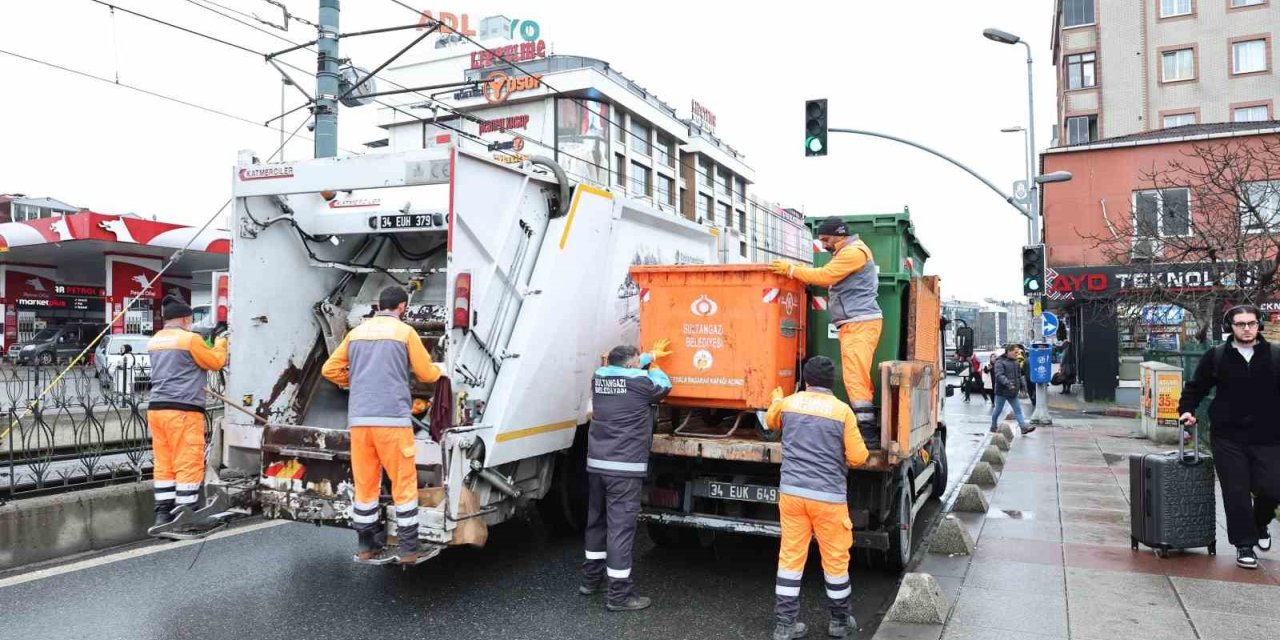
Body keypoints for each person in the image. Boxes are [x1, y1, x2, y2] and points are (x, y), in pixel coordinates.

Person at [322, 286, 441, 564]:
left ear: (378, 305)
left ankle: (367, 547)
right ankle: (409, 549)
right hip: (392, 422)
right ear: (402, 307)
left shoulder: (356, 333)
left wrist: (358, 381)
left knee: (365, 485)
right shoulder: (405, 332)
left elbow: (329, 370)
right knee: (403, 483)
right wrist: (441, 371)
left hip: (360, 422)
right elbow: (426, 373)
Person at [765, 356, 869, 640]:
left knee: (790, 557)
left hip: (792, 494)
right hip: (828, 499)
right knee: (835, 560)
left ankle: (785, 624)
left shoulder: (789, 403)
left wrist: (776, 401)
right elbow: (859, 457)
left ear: (806, 379)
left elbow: (770, 421)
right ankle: (838, 621)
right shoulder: (842, 411)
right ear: (831, 381)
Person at [1177, 304, 1280, 570]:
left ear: (1259, 325)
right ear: (1229, 327)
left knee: (1271, 489)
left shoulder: (1276, 356)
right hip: (1227, 436)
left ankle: (1260, 524)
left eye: (1251, 323)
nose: (1246, 328)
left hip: (1268, 435)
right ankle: (1244, 545)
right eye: (1240, 324)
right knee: (1236, 491)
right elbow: (1195, 387)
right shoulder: (1217, 356)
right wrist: (1187, 410)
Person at [580, 340, 672, 612]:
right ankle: (619, 595)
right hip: (624, 469)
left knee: (596, 522)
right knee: (620, 529)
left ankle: (590, 580)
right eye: (636, 362)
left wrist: (646, 355)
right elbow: (663, 385)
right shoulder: (642, 384)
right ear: (632, 364)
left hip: (597, 464)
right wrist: (655, 363)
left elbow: (623, 371)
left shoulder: (599, 377)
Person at [771, 217, 882, 438]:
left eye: (825, 239)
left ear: (839, 235)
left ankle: (867, 434)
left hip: (859, 322)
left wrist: (792, 270)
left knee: (854, 377)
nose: (823, 244)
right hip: (855, 322)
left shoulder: (854, 252)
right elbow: (827, 273)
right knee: (855, 375)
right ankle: (864, 428)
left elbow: (825, 276)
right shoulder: (846, 253)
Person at [146, 294, 229, 531]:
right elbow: (215, 361)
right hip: (183, 410)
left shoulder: (156, 340)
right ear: (185, 318)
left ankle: (163, 515)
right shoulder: (189, 339)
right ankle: (187, 517)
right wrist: (222, 341)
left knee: (165, 463)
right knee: (188, 461)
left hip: (157, 409)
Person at [992, 344, 1035, 436]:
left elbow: (1019, 375)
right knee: (998, 410)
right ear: (1009, 351)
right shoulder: (999, 362)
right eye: (1015, 352)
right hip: (1002, 391)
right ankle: (993, 425)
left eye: (1018, 352)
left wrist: (1023, 386)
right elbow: (999, 375)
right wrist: (1008, 384)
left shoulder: (1016, 362)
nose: (1017, 354)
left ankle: (1023, 428)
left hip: (1013, 391)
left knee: (1018, 410)